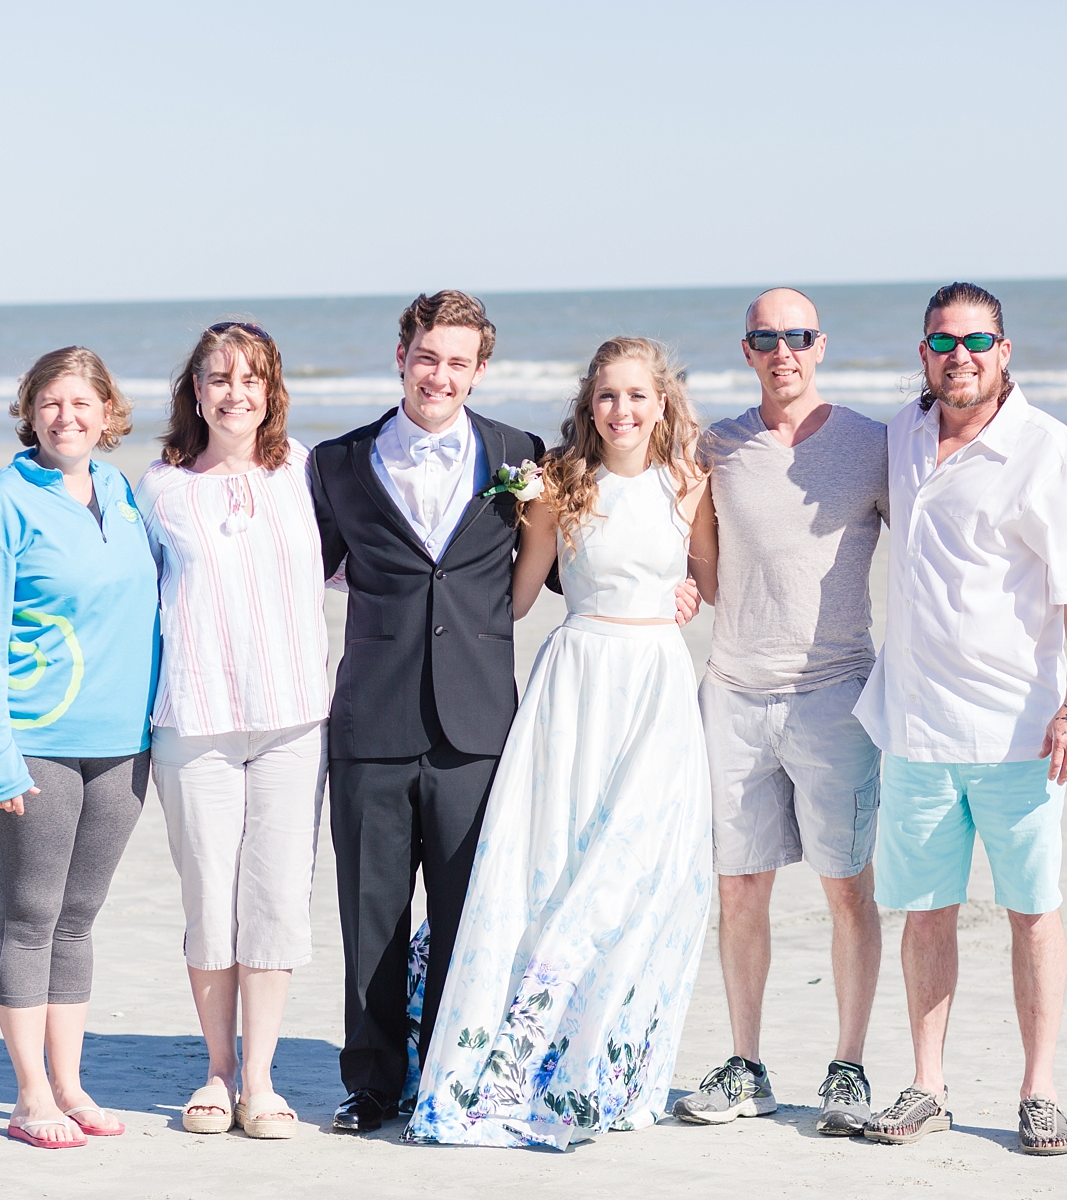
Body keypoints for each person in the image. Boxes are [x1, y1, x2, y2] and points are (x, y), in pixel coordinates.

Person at [403, 337, 717, 1149]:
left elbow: (713, 583)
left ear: (662, 401)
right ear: (588, 404)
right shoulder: (561, 488)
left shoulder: (689, 482)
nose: (623, 410)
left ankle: (600, 1058)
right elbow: (514, 598)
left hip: (655, 685)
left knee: (632, 868)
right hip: (574, 684)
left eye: (638, 395)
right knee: (552, 864)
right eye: (608, 396)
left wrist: (681, 592)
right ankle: (517, 1059)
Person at [854, 283, 1067, 1155]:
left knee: (1031, 909)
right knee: (925, 910)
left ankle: (1040, 1090)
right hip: (914, 728)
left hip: (1018, 734)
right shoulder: (898, 436)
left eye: (977, 342)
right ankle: (927, 1086)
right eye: (942, 342)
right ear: (923, 354)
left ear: (1005, 352)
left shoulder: (1048, 452)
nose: (959, 356)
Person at [307, 291, 549, 1134]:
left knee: (466, 916)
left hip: (477, 729)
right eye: (426, 356)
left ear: (480, 371)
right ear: (401, 354)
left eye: (458, 361)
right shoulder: (336, 464)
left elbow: (567, 564)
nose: (438, 374)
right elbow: (294, 572)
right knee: (370, 914)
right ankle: (373, 1082)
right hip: (370, 724)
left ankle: (449, 1074)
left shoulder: (522, 456)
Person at [674, 288, 890, 1136]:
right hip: (732, 691)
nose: (783, 350)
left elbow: (937, 540)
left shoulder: (873, 444)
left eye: (797, 336)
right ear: (748, 348)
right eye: (767, 337)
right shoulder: (715, 445)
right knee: (740, 890)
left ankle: (848, 1068)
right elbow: (690, 547)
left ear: (821, 345)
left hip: (836, 694)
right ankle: (746, 1065)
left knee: (847, 889)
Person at [0, 347, 160, 1149]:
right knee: (31, 914)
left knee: (78, 918)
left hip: (123, 744)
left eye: (83, 402)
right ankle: (29, 1094)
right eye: (50, 403)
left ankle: (70, 1084)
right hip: (34, 740)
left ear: (109, 413)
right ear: (28, 411)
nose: (66, 417)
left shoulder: (122, 493)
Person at [136, 322, 330, 1139]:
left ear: (272, 390)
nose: (234, 392)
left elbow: (372, 563)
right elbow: (124, 590)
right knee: (209, 896)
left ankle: (262, 1079)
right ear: (196, 391)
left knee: (277, 898)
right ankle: (216, 1072)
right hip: (197, 716)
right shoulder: (158, 487)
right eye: (218, 377)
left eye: (251, 378)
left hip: (293, 716)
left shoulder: (307, 473)